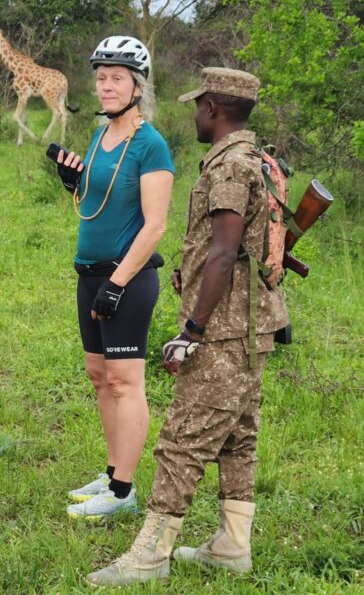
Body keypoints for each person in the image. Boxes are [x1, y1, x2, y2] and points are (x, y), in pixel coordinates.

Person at [86, 67, 290, 586]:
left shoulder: (227, 167)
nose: (195, 113)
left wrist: (192, 331)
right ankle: (231, 544)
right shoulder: (255, 159)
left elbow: (224, 252)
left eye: (200, 105)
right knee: (238, 436)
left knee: (182, 440)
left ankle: (151, 554)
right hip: (253, 325)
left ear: (215, 109)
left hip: (221, 331)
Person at [55, 35, 174, 521]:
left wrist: (118, 283)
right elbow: (97, 197)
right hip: (90, 273)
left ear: (137, 86)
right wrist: (73, 180)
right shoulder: (101, 135)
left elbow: (155, 224)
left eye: (116, 79)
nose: (105, 87)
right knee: (100, 377)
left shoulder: (151, 144)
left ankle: (124, 493)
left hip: (126, 279)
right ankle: (110, 474)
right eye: (101, 77)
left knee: (126, 382)